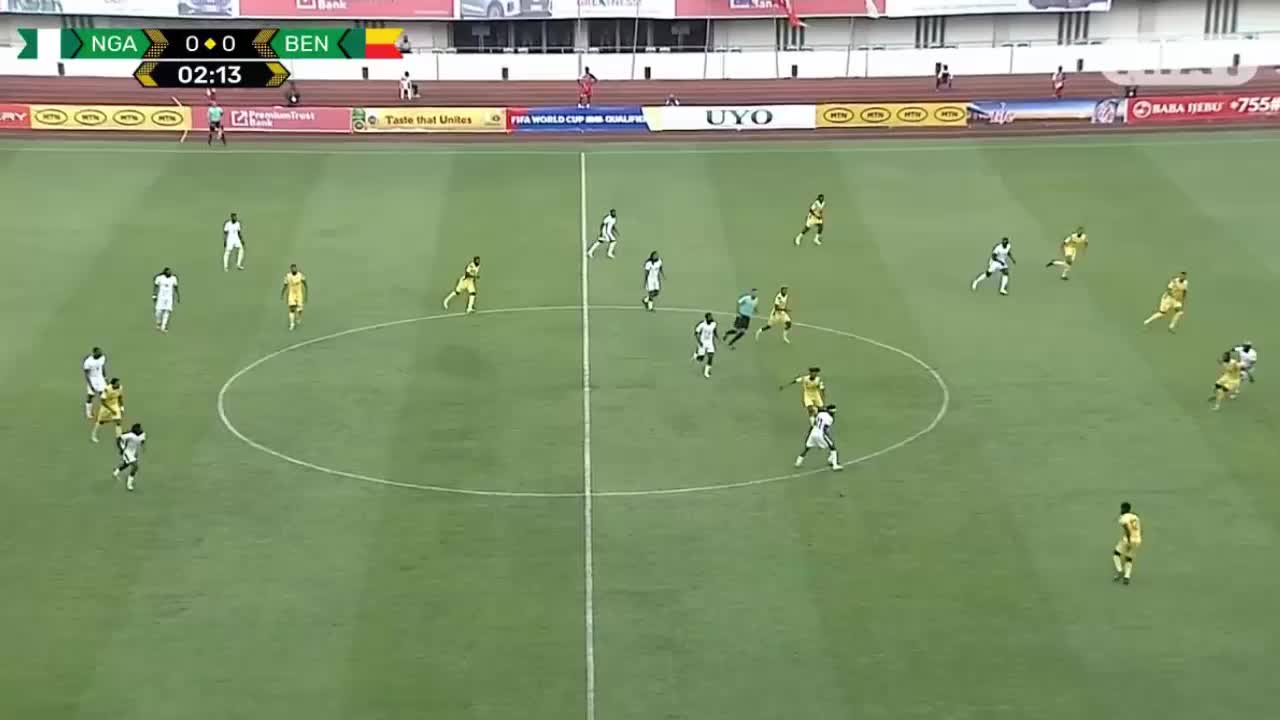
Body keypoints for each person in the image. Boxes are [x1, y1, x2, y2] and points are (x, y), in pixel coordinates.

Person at [795, 404, 841, 470]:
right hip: (821, 434)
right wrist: (824, 438)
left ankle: (798, 461)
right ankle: (835, 465)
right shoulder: (831, 419)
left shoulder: (820, 414)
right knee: (832, 447)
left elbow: (815, 419)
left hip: (813, 432)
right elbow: (825, 429)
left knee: (807, 448)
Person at [1112, 502, 1141, 585]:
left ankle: (1120, 570)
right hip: (1137, 539)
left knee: (1116, 553)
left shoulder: (1122, 518)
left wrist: (1129, 541)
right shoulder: (1136, 517)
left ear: (1123, 509)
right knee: (1129, 558)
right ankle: (1127, 577)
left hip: (1128, 539)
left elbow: (1127, 530)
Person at [113, 422, 146, 492]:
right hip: (127, 451)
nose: (140, 429)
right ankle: (129, 484)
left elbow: (141, 441)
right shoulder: (129, 435)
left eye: (140, 428)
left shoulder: (142, 434)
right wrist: (121, 449)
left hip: (133, 452)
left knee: (126, 464)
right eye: (139, 428)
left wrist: (139, 449)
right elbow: (118, 439)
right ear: (135, 429)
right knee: (135, 466)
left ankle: (116, 471)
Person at [90, 377, 124, 443]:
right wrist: (111, 410)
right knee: (100, 422)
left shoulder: (120, 387)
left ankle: (119, 437)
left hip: (114, 405)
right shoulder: (107, 389)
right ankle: (93, 436)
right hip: (106, 406)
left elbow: (120, 397)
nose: (118, 384)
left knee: (118, 421)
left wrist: (122, 407)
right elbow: (103, 402)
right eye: (117, 383)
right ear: (113, 384)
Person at [82, 346, 107, 419]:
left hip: (100, 378)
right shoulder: (88, 362)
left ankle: (104, 412)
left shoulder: (102, 357)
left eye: (100, 351)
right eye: (99, 352)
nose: (101, 353)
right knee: (90, 396)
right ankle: (88, 413)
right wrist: (91, 385)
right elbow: (86, 374)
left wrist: (105, 378)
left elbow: (102, 367)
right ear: (94, 353)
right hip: (92, 379)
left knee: (103, 395)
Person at [152, 267, 180, 333]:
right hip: (161, 297)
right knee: (158, 311)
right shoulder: (159, 278)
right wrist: (154, 295)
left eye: (170, 271)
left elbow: (176, 287)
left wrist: (178, 296)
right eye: (168, 271)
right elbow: (155, 286)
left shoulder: (173, 278)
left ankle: (163, 327)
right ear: (165, 272)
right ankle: (158, 323)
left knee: (167, 312)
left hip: (169, 298)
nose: (170, 272)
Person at [282, 264, 308, 331]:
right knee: (292, 309)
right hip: (291, 294)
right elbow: (285, 285)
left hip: (299, 294)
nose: (294, 269)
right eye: (292, 269)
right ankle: (292, 324)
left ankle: (298, 317)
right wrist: (282, 294)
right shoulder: (288, 276)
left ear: (296, 269)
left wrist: (306, 295)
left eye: (295, 268)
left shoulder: (300, 275)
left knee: (300, 309)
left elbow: (305, 284)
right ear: (291, 269)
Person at [692, 312, 718, 379]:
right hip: (702, 343)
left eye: (711, 317)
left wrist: (716, 337)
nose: (711, 318)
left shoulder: (714, 324)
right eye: (709, 317)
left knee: (710, 357)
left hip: (710, 343)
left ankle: (706, 371)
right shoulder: (702, 324)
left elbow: (714, 331)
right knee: (700, 359)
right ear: (706, 318)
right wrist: (699, 342)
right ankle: (696, 354)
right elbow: (696, 333)